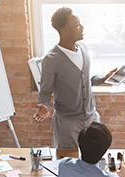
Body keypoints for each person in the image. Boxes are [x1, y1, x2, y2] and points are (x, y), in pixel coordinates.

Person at [33, 7, 117, 149]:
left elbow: (83, 80)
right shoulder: (51, 59)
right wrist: (45, 107)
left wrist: (103, 78)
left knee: (95, 158)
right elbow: (45, 91)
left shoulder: (83, 49)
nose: (82, 27)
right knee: (67, 160)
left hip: (91, 117)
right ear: (65, 31)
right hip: (67, 122)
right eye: (77, 25)